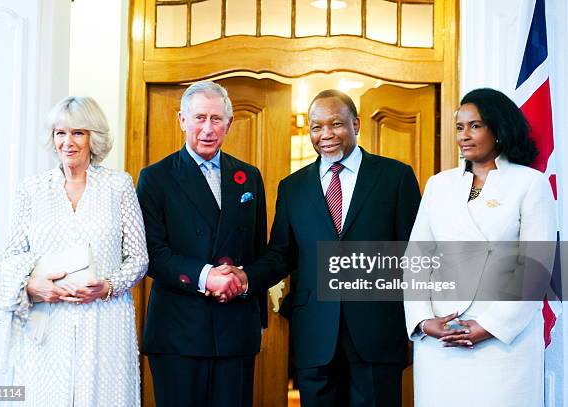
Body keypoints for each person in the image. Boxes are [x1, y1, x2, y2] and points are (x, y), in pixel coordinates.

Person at [245, 89, 421, 406]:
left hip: (378, 330)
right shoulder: (293, 187)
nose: (326, 134)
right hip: (315, 332)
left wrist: (420, 321)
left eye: (336, 124)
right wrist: (244, 278)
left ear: (355, 124)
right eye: (316, 126)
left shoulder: (395, 177)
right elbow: (281, 254)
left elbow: (415, 255)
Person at [403, 88, 556, 407]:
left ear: (498, 130)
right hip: (441, 339)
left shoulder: (529, 183)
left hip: (502, 341)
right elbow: (416, 258)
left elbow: (537, 265)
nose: (464, 135)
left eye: (475, 126)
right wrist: (423, 321)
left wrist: (488, 326)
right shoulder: (438, 184)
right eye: (459, 127)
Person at [0, 96, 149, 406]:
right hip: (47, 324)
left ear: (94, 137)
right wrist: (30, 285)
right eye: (60, 133)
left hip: (105, 319)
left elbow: (138, 257)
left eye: (78, 132)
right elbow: (11, 257)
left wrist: (107, 286)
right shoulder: (32, 190)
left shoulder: (119, 186)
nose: (68, 142)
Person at [136, 81, 268, 407]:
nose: (207, 129)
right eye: (199, 118)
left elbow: (256, 250)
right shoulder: (155, 178)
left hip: (236, 328)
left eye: (216, 119)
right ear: (182, 120)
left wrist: (256, 314)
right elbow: (152, 253)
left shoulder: (249, 176)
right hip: (179, 331)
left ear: (229, 123)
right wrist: (206, 276)